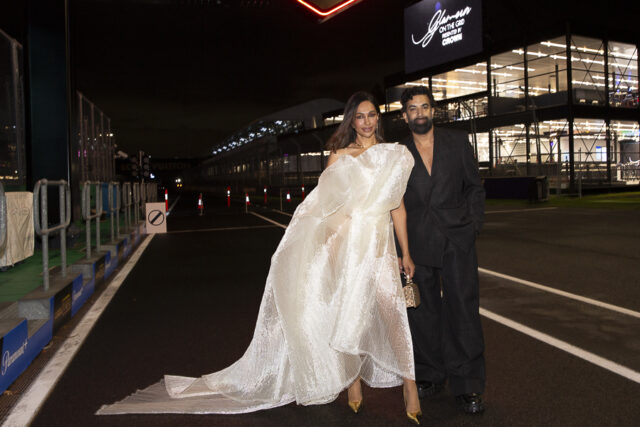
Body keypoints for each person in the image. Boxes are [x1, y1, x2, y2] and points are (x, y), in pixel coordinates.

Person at [98, 91, 423, 424]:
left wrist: (406, 251)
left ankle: (410, 388)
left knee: (392, 311)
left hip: (380, 246)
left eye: (372, 116)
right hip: (348, 246)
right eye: (360, 116)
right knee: (348, 316)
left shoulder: (390, 155)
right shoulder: (339, 156)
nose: (367, 122)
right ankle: (353, 384)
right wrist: (328, 245)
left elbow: (397, 207)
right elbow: (326, 208)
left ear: (378, 119)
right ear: (351, 120)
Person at [397, 86, 486, 414]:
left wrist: (473, 225)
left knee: (464, 310)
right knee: (423, 312)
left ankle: (469, 384)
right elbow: (394, 204)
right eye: (413, 109)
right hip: (418, 244)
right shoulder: (398, 153)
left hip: (457, 239)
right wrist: (400, 249)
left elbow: (475, 188)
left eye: (424, 107)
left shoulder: (457, 142)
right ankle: (431, 373)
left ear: (433, 111)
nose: (419, 113)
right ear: (405, 116)